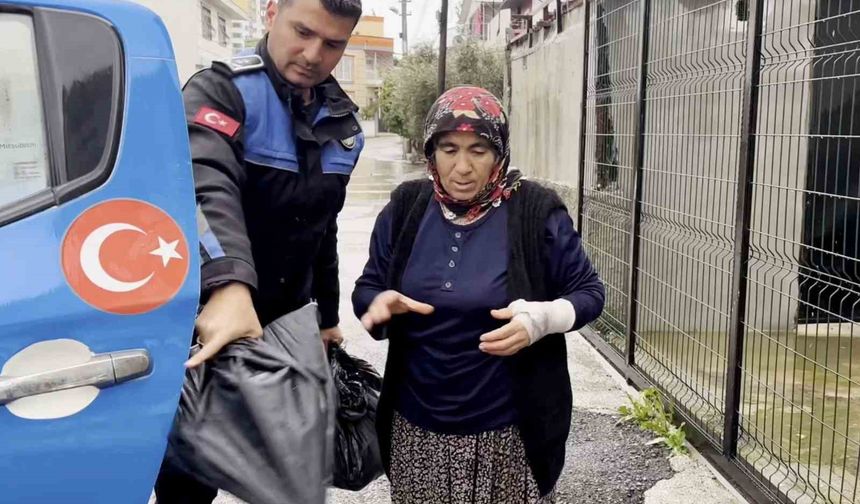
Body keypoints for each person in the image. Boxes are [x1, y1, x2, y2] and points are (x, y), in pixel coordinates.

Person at [352, 86, 606, 504]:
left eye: (479, 150)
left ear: (500, 153)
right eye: (449, 149)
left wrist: (539, 321)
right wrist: (376, 304)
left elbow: (589, 293)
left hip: (508, 434)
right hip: (418, 429)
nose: (463, 167)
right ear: (431, 152)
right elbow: (369, 287)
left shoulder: (536, 212)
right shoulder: (405, 208)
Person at [155, 0, 363, 501]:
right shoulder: (221, 91)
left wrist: (328, 317)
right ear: (272, 13)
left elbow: (321, 228)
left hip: (287, 327)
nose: (314, 54)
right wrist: (227, 286)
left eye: (333, 44)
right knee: (194, 476)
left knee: (294, 477)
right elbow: (202, 186)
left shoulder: (343, 125)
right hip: (211, 321)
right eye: (302, 31)